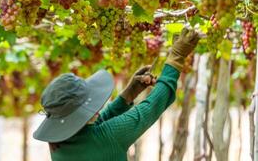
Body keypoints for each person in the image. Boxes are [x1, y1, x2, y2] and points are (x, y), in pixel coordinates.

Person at [33, 28, 200, 161]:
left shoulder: (60, 146)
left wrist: (128, 94)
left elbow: (97, 128)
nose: (96, 108)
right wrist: (176, 58)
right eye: (89, 105)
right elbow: (151, 108)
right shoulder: (108, 138)